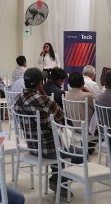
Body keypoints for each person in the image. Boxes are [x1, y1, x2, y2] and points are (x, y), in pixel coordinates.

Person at [14, 68, 76, 197]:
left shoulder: (17, 99)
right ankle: (59, 180)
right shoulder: (42, 99)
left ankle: (57, 178)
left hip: (31, 146)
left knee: (56, 142)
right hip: (48, 148)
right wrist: (44, 95)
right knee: (81, 154)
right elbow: (61, 115)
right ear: (40, 83)